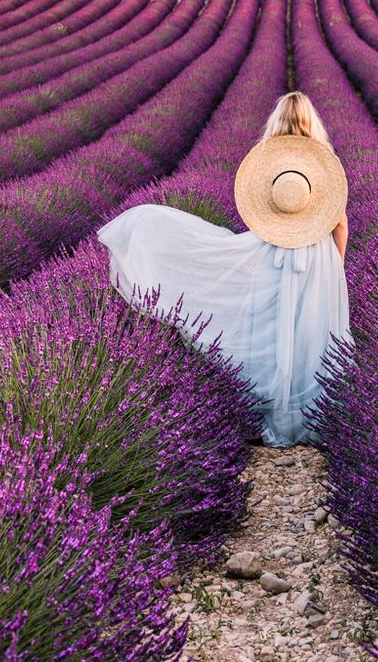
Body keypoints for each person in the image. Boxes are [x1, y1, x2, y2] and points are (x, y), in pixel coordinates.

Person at [95, 91, 352, 448]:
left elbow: (260, 209)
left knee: (270, 328)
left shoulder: (269, 161)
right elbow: (339, 223)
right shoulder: (322, 164)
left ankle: (268, 413)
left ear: (276, 122)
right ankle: (313, 418)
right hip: (317, 256)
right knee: (310, 334)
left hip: (272, 247)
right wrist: (336, 265)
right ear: (313, 123)